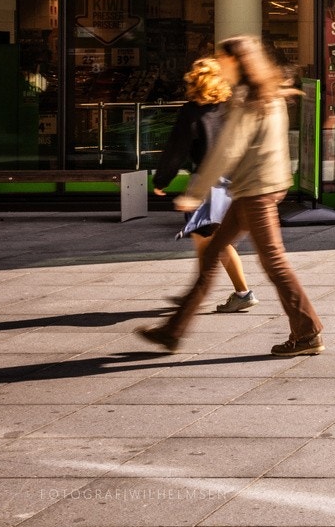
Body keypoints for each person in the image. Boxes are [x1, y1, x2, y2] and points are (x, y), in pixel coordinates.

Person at [138, 36, 324, 357]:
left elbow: (227, 152)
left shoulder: (248, 101)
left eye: (223, 59)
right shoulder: (270, 94)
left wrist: (195, 194)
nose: (220, 65)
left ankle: (307, 333)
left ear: (236, 61)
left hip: (256, 193)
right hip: (257, 189)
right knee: (212, 255)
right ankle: (172, 331)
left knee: (274, 263)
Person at [151, 57, 255, 313]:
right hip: (235, 182)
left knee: (214, 240)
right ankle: (201, 292)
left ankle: (240, 293)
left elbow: (177, 149)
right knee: (206, 239)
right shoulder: (231, 107)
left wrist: (161, 180)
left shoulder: (192, 111)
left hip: (208, 186)